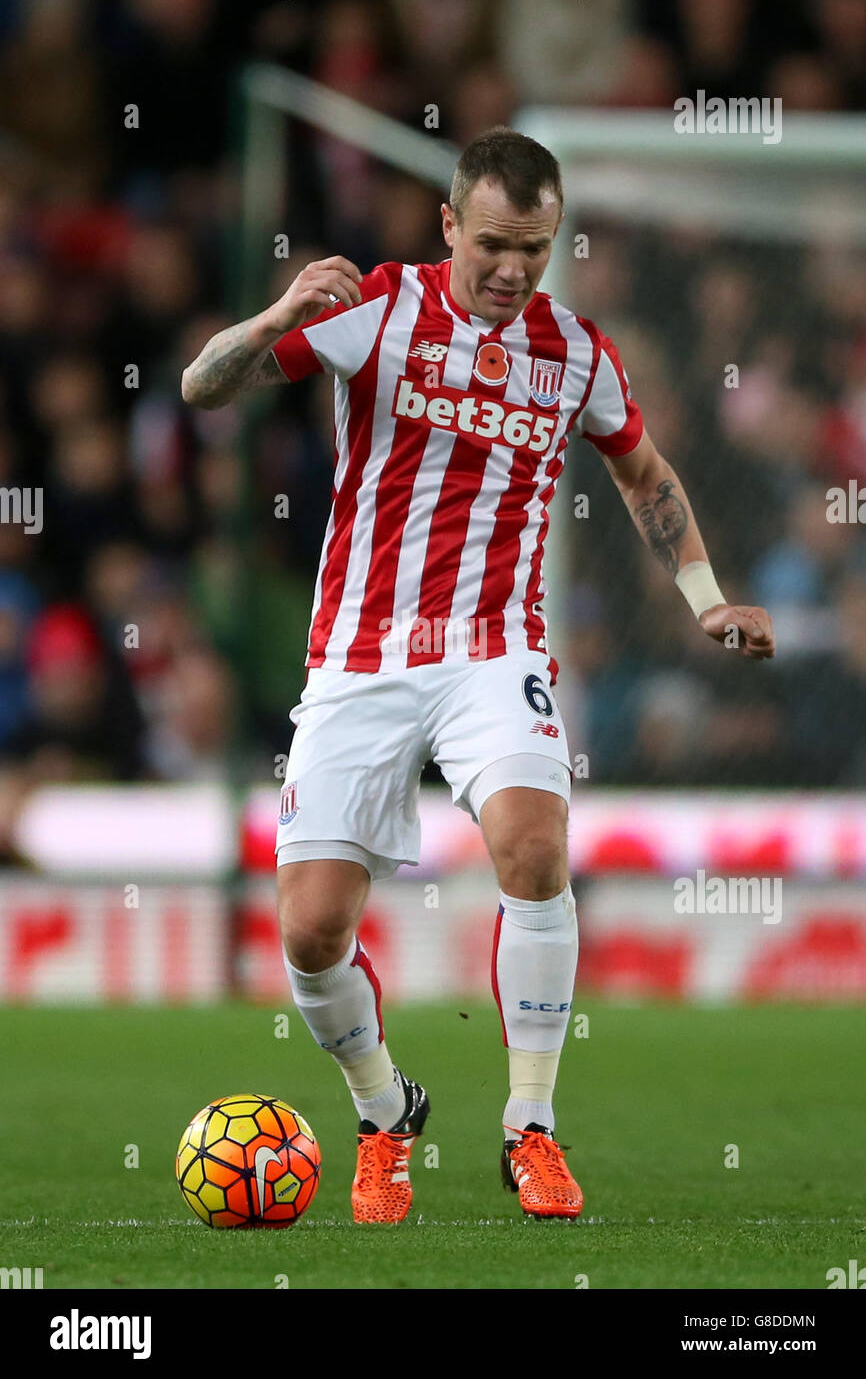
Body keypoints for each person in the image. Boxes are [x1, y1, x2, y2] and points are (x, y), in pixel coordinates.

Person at [182, 127, 775, 1223]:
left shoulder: (576, 352)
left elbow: (644, 471)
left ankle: (530, 1127)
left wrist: (706, 599)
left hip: (494, 646)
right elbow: (204, 387)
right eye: (494, 244)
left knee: (533, 845)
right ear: (449, 224)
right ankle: (383, 1112)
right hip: (358, 651)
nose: (512, 271)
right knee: (310, 931)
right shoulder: (380, 308)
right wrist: (272, 319)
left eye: (536, 249)